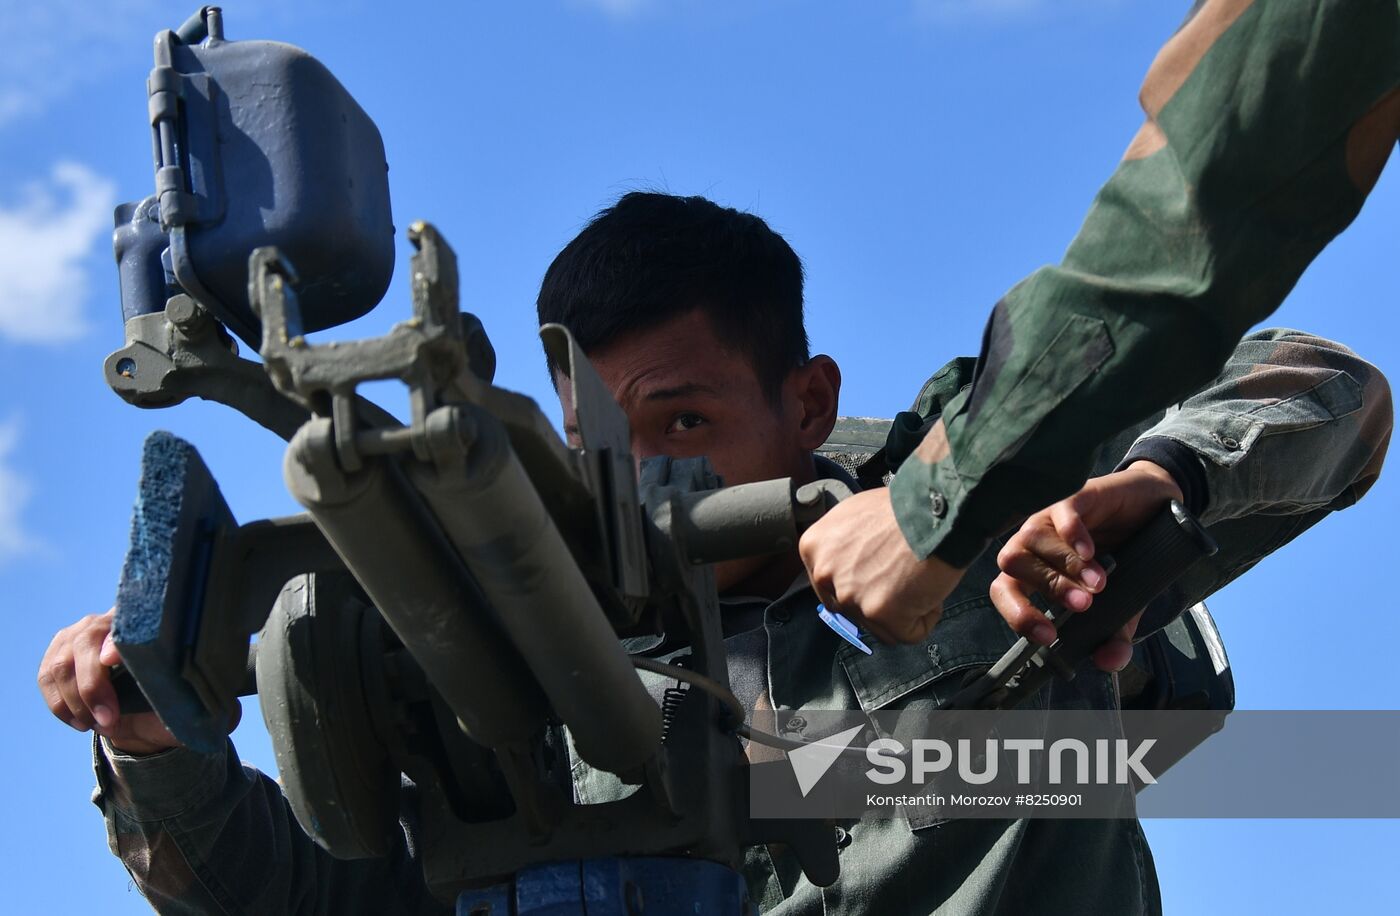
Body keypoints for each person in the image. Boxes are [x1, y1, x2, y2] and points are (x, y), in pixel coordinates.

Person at [40, 192, 1390, 914]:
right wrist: (151, 747)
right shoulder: (502, 669)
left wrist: (1130, 490)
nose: (647, 476)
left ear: (804, 402)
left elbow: (1318, 384)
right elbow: (318, 899)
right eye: (602, 441)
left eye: (685, 418)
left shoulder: (966, 518)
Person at [800, 0, 1400, 646]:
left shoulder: (950, 488)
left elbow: (1339, 389)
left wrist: (932, 504)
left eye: (691, 421)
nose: (676, 470)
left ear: (807, 403)